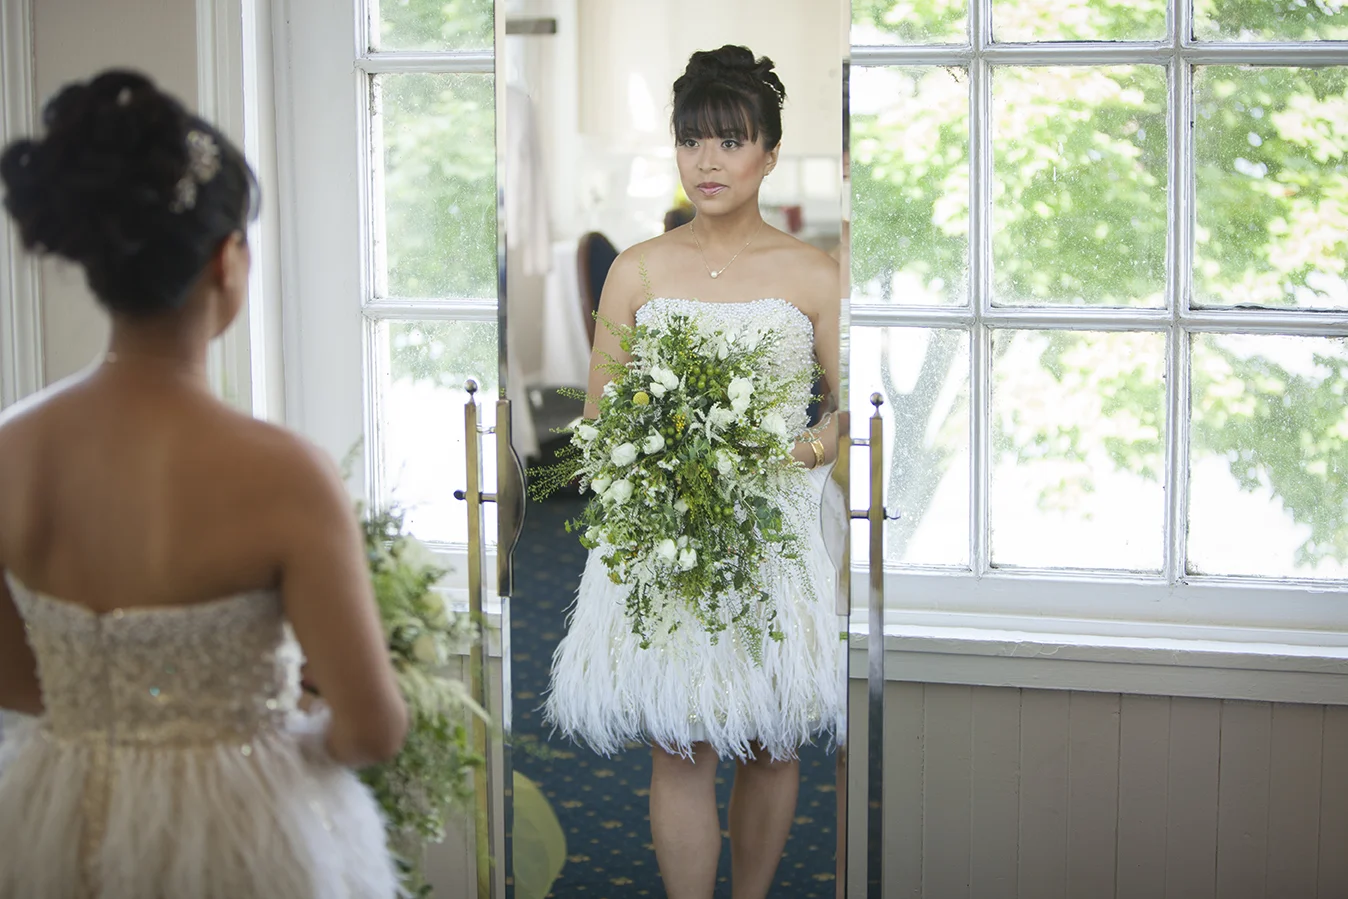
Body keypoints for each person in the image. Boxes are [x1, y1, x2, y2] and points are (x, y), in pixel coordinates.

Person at [0, 70, 406, 898]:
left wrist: (126, 712)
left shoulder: (12, 448)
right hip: (246, 838)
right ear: (229, 259)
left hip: (59, 821)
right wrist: (275, 720)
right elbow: (372, 728)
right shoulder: (283, 471)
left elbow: (16, 680)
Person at [546, 46, 844, 899]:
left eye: (730, 140)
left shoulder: (815, 276)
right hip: (666, 529)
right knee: (680, 738)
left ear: (770, 154)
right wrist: (662, 462)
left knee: (772, 738)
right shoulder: (636, 267)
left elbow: (849, 414)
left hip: (776, 529)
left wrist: (797, 454)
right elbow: (600, 419)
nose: (707, 161)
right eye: (691, 141)